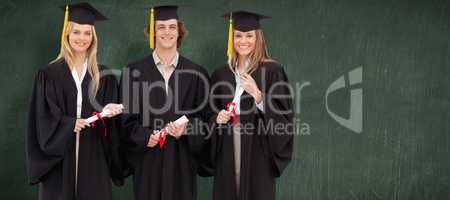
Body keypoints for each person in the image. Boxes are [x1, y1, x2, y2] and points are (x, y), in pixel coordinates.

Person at [26, 2, 124, 200]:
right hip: (60, 163)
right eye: (77, 32)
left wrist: (109, 110)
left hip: (94, 160)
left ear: (93, 37)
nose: (82, 38)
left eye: (87, 33)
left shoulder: (103, 77)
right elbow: (42, 120)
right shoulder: (49, 75)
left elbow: (113, 129)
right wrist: (70, 123)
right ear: (67, 34)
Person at [119, 5, 210, 200]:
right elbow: (125, 121)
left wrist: (187, 129)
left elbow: (207, 121)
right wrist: (145, 137)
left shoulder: (197, 74)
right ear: (152, 32)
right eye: (161, 27)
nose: (167, 32)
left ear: (179, 33)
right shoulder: (133, 72)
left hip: (182, 163)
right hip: (148, 163)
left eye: (172, 27)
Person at [208, 10, 294, 200]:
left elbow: (284, 118)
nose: (243, 41)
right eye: (238, 35)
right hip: (227, 153)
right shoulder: (221, 74)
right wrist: (217, 118)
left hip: (258, 154)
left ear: (258, 38)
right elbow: (209, 114)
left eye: (249, 36)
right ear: (232, 38)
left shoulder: (272, 71)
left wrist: (258, 95)